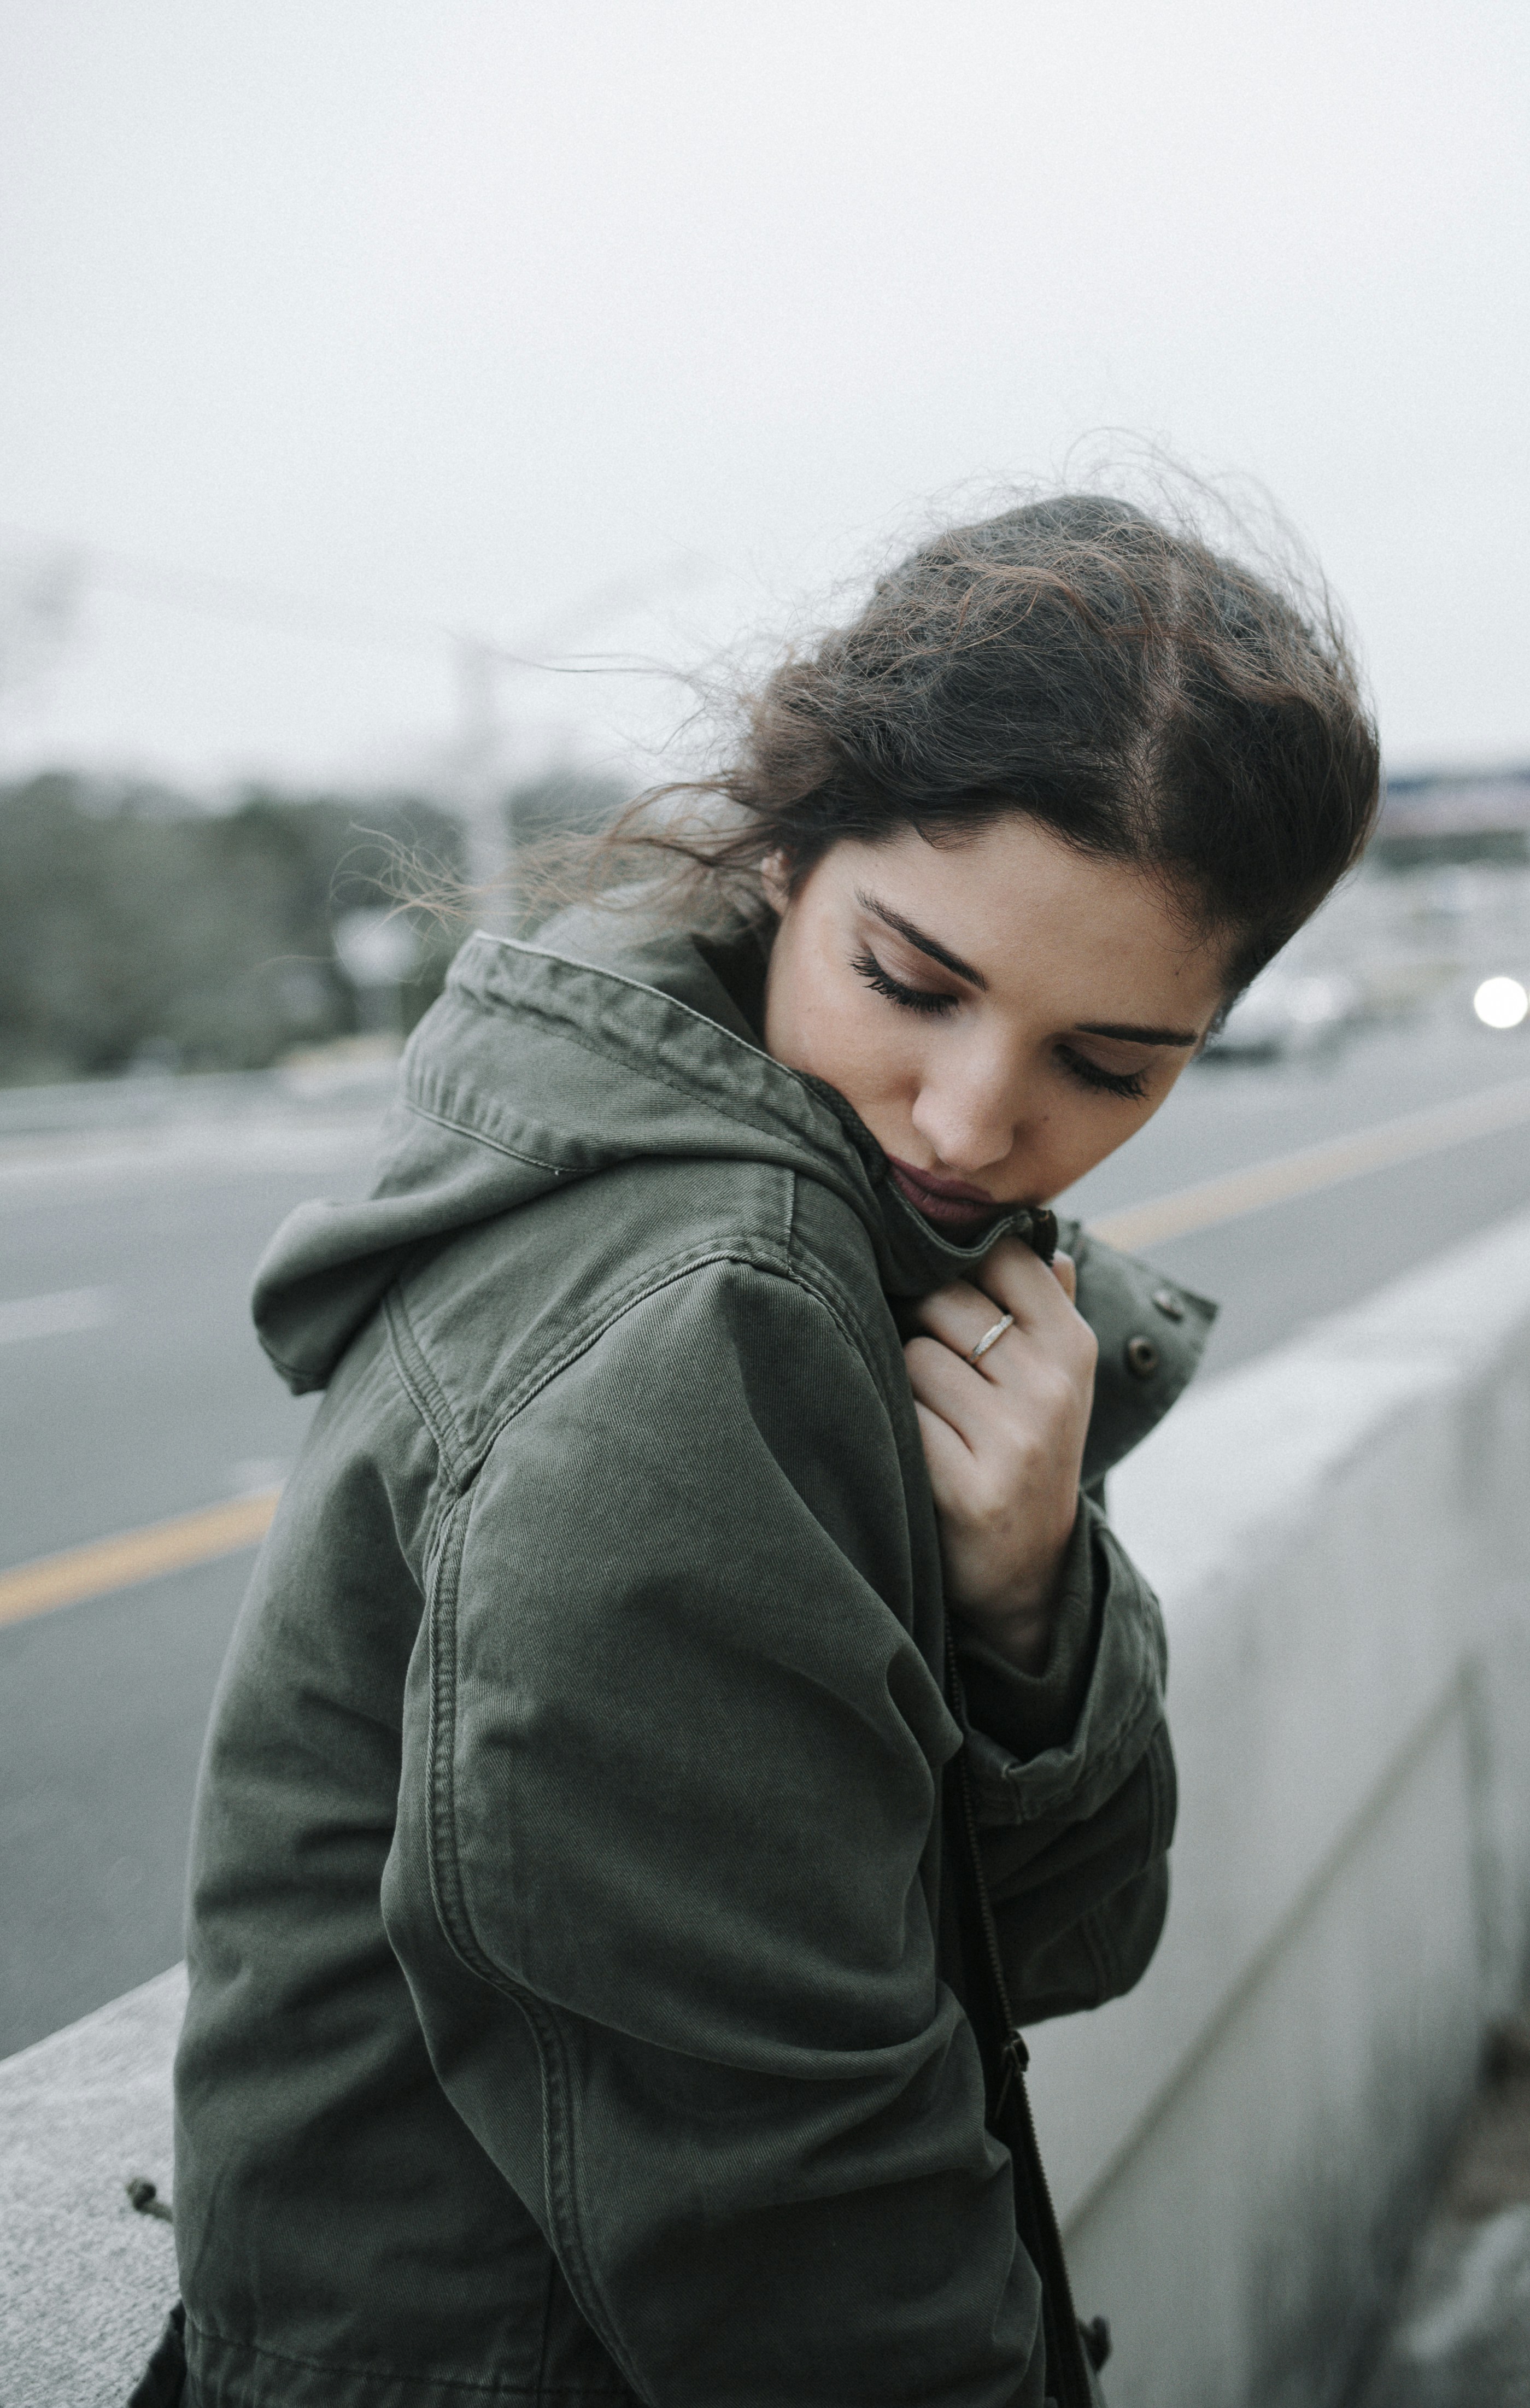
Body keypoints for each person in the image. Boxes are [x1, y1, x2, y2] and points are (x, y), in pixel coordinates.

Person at [151, 493, 1379, 2408]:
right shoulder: (708, 1321)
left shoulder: (837, 1235)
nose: (969, 1121)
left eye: (1107, 1064)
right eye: (914, 983)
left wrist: (1030, 1607)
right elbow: (797, 2203)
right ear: (790, 849)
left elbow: (1041, 1944)